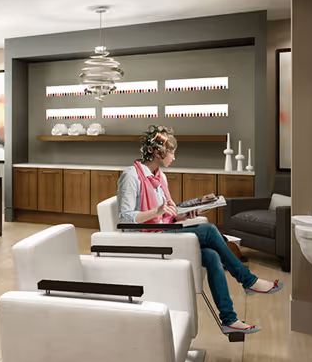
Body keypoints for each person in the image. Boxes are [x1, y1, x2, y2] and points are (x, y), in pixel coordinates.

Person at [116, 126, 282, 334]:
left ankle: (229, 320)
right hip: (148, 240)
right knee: (209, 230)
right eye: (172, 152)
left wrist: (185, 214)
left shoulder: (160, 178)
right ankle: (248, 280)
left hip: (164, 231)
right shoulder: (131, 176)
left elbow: (168, 213)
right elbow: (125, 218)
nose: (174, 157)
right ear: (158, 153)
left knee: (212, 256)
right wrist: (156, 211)